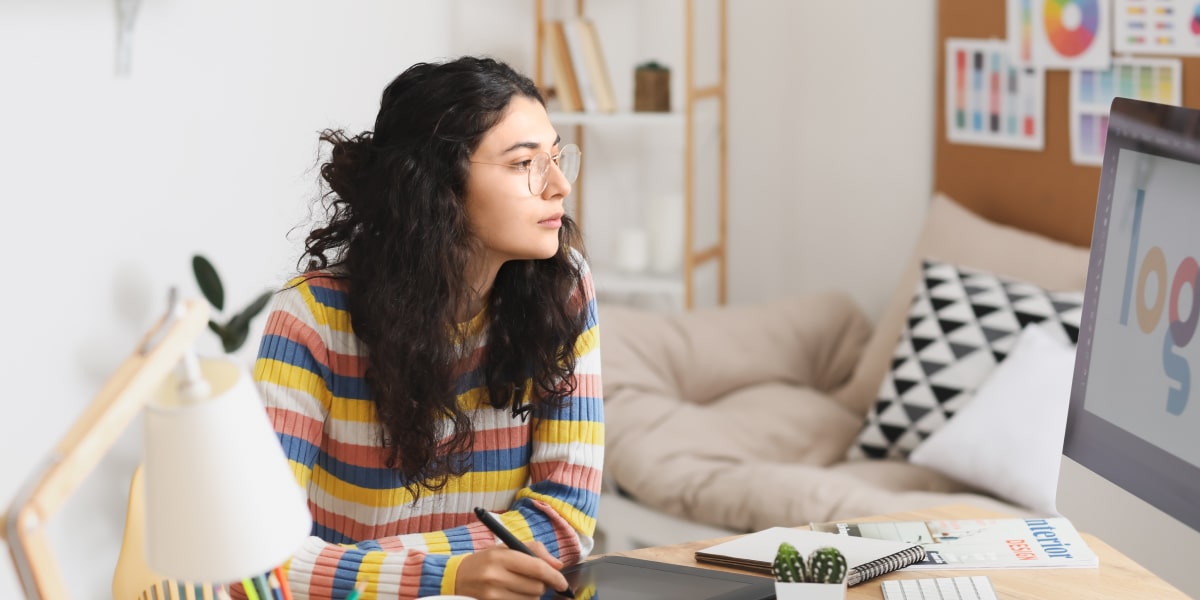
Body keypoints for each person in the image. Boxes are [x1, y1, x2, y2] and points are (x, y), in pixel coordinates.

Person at [251, 56, 602, 600]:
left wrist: (355, 568)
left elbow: (565, 519)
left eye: (556, 158)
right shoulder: (313, 318)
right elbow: (260, 557)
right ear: (437, 186)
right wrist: (446, 574)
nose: (559, 186)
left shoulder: (564, 289)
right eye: (523, 163)